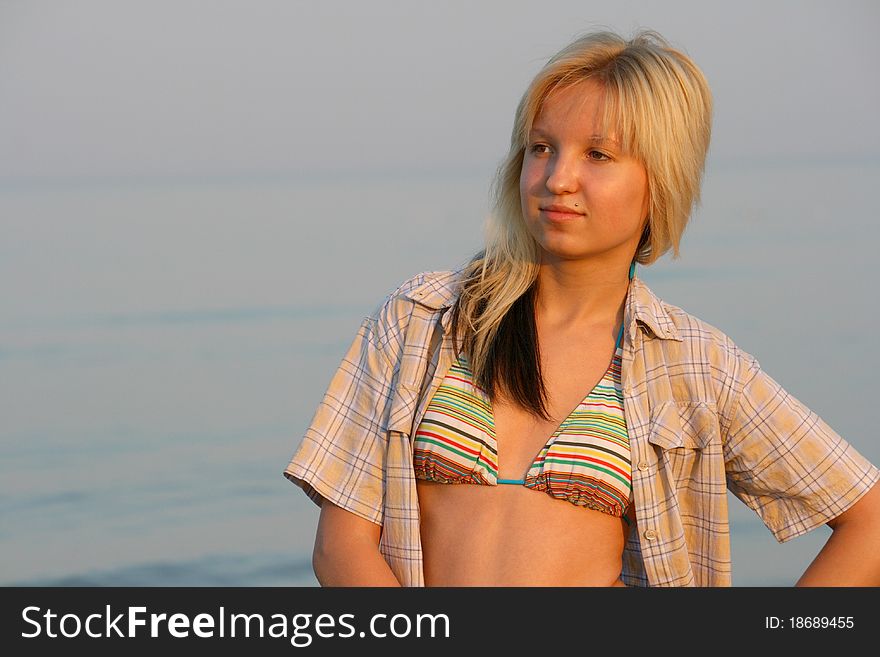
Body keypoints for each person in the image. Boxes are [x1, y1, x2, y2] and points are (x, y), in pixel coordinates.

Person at [282, 30, 880, 587]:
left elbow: (868, 521)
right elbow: (340, 548)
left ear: (661, 180)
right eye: (541, 148)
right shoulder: (422, 320)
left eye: (598, 155)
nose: (557, 178)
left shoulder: (696, 366)